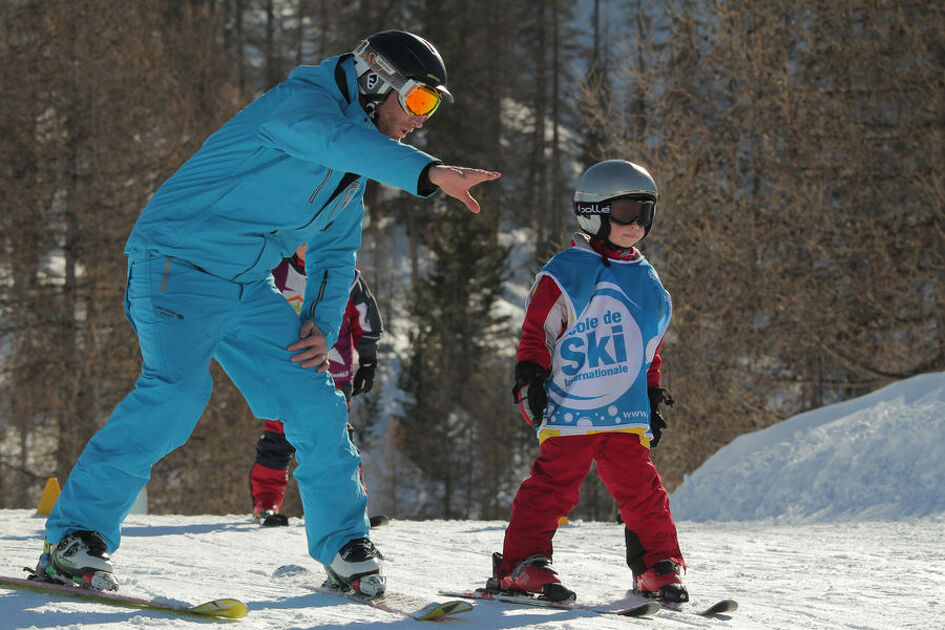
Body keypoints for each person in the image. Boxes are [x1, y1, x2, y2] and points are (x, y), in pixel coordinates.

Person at [35, 29, 500, 598]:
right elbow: (330, 141)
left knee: (315, 398)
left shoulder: (352, 161)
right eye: (419, 101)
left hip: (244, 284)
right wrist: (429, 173)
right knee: (176, 395)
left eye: (431, 107)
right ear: (375, 81)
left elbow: (335, 251)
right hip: (174, 265)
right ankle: (75, 537)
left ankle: (347, 546)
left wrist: (322, 327)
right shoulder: (299, 107)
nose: (421, 120)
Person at [486, 160, 687, 603]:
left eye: (645, 214)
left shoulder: (646, 278)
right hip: (573, 403)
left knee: (643, 491)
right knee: (553, 486)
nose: (636, 224)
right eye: (625, 212)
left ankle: (658, 564)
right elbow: (539, 329)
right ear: (594, 212)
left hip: (625, 407)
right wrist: (530, 376)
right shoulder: (569, 269)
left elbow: (648, 345)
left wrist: (652, 393)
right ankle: (521, 564)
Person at [250, 246, 386, 527]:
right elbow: (254, 316)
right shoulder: (274, 271)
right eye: (304, 238)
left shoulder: (343, 275)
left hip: (333, 374)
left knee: (339, 442)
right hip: (285, 373)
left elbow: (365, 317)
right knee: (279, 440)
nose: (310, 244)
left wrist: (369, 360)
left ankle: (353, 508)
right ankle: (266, 504)